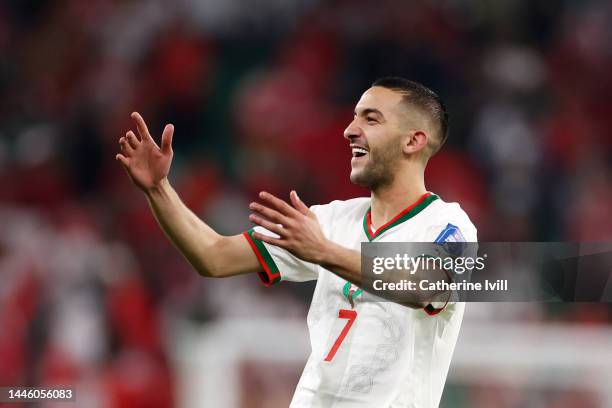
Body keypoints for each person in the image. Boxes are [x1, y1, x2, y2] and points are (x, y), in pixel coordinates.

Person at [116, 77, 477, 408]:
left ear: (414, 140)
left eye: (371, 119)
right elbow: (214, 256)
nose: (350, 130)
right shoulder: (329, 220)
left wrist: (323, 251)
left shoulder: (448, 227)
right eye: (353, 118)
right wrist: (158, 190)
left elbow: (425, 287)